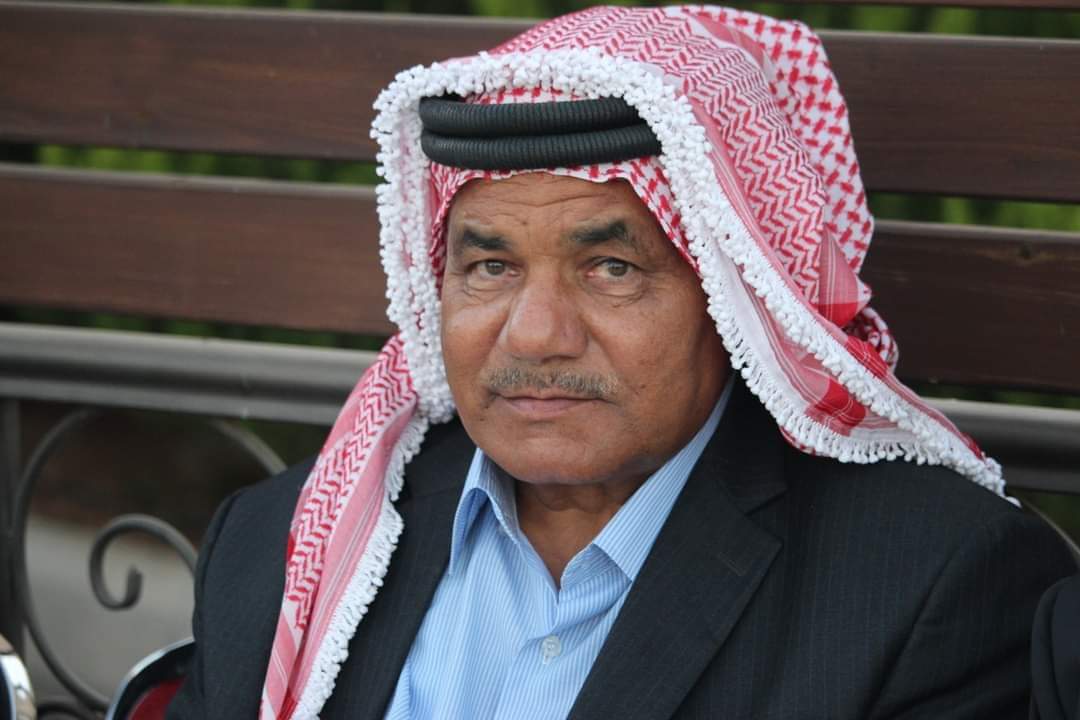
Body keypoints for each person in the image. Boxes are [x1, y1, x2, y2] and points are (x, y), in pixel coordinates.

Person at [167, 6, 1075, 719]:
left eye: (611, 268)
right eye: (489, 267)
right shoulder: (281, 546)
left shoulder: (928, 589)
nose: (534, 335)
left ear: (735, 299)